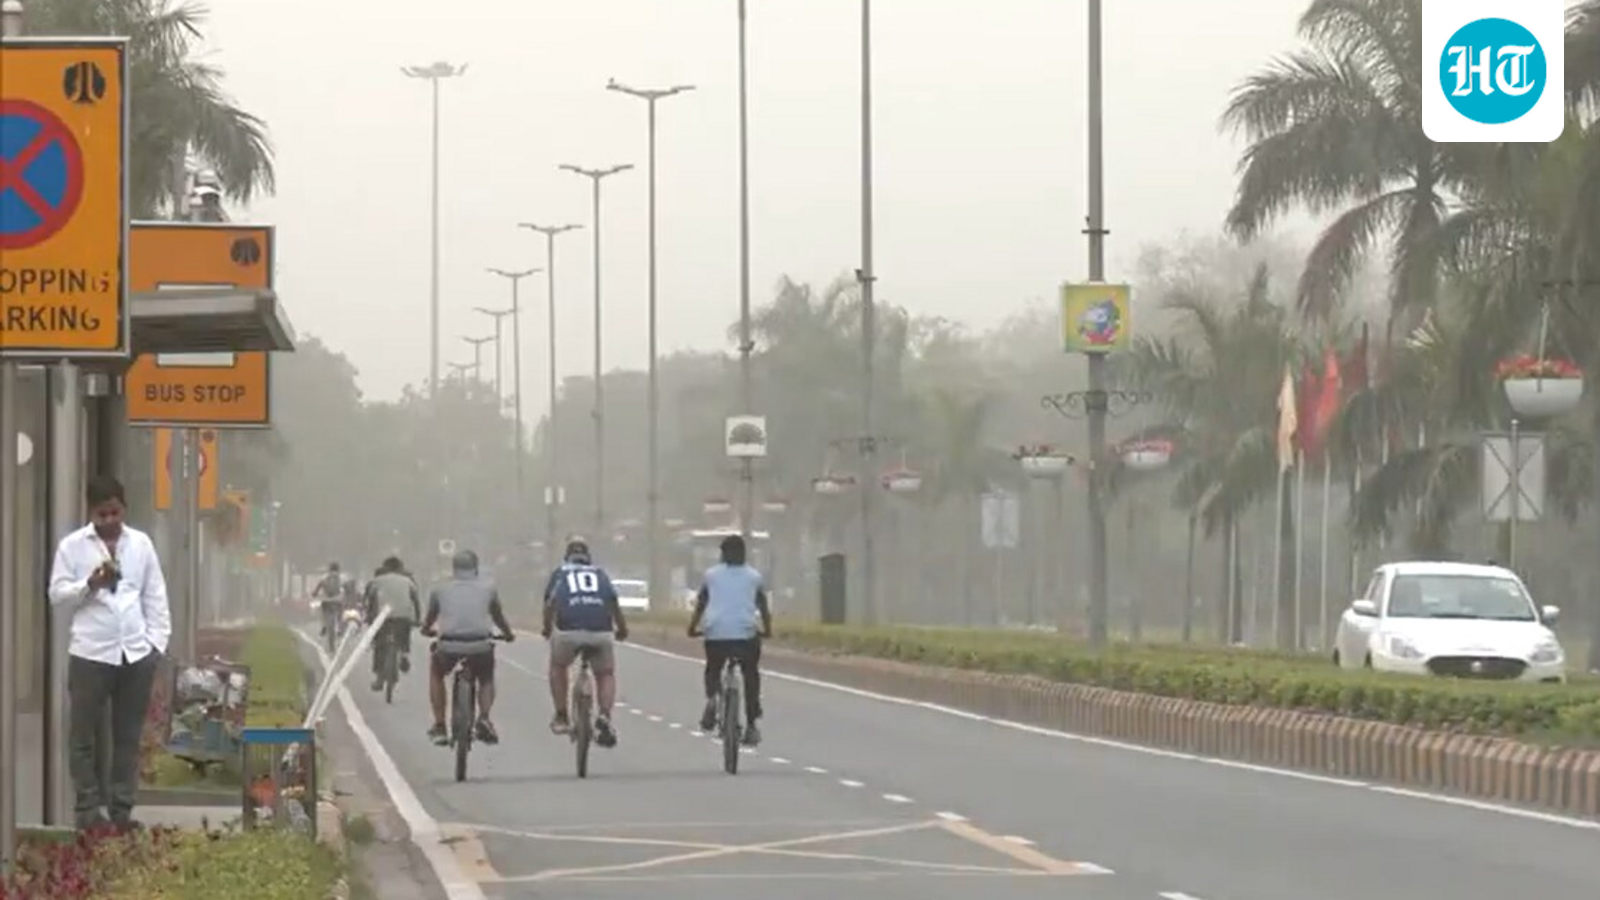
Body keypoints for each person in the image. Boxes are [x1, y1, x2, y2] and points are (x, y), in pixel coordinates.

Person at [48, 475, 171, 831]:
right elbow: (56, 594)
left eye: (115, 512)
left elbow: (155, 596)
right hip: (90, 653)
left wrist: (155, 646)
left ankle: (121, 812)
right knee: (82, 736)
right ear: (91, 513)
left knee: (128, 737)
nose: (109, 521)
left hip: (134, 655)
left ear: (124, 508)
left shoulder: (141, 545)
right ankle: (88, 810)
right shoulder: (72, 547)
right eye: (102, 515)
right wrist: (89, 584)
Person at [420, 549, 514, 745]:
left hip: (449, 645)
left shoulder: (440, 589)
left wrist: (426, 629)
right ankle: (484, 717)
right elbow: (498, 616)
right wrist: (507, 634)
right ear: (476, 568)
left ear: (453, 568)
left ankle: (439, 725)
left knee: (436, 673)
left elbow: (431, 617)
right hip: (480, 645)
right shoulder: (488, 588)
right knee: (486, 677)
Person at [542, 538, 630, 747]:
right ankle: (605, 715)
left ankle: (562, 715)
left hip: (567, 632)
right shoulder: (600, 574)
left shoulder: (561, 573)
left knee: (558, 666)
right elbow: (613, 603)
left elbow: (550, 603)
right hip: (600, 631)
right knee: (605, 673)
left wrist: (547, 628)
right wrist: (622, 629)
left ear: (567, 557)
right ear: (588, 559)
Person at [687, 534, 772, 746]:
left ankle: (712, 699)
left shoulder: (711, 575)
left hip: (716, 633)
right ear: (744, 554)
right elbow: (762, 606)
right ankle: (752, 723)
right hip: (745, 634)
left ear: (722, 555)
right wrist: (767, 630)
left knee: (713, 667)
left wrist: (692, 628)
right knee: (750, 673)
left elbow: (701, 604)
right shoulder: (754, 576)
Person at [365, 556, 422, 690]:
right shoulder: (408, 581)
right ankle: (404, 654)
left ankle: (379, 678)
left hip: (383, 617)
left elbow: (370, 599)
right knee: (404, 635)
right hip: (403, 618)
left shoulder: (377, 581)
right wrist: (418, 618)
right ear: (400, 568)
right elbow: (416, 601)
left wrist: (369, 617)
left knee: (379, 645)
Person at [313, 563, 343, 640]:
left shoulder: (324, 578)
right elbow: (345, 588)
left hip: (326, 601)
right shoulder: (341, 578)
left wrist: (315, 594)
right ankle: (339, 628)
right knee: (340, 613)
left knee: (323, 614)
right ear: (338, 569)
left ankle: (324, 627)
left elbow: (317, 589)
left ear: (329, 569)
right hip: (337, 600)